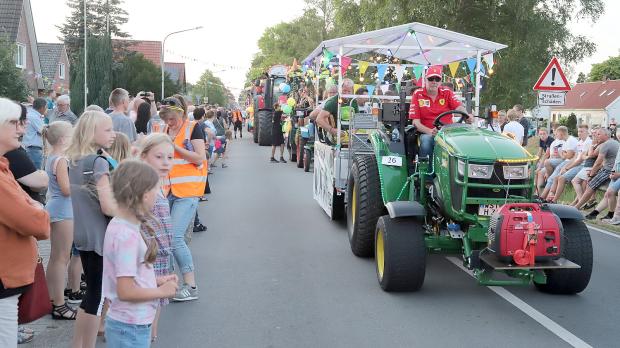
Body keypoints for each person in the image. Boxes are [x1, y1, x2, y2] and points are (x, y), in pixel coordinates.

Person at [102, 160, 178, 347]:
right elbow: (125, 291)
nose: (158, 196)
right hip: (131, 326)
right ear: (144, 195)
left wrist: (155, 280)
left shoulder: (118, 225)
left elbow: (125, 274)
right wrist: (160, 291)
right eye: (156, 191)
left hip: (126, 323)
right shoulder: (127, 237)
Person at [0, 97, 50, 348]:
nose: (21, 129)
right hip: (3, 278)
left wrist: (34, 208)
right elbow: (36, 224)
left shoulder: (5, 166)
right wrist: (38, 209)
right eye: (13, 123)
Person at [67, 111, 118, 348]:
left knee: (91, 296)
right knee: (96, 297)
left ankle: (78, 343)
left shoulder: (75, 160)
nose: (113, 134)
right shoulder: (98, 162)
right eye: (107, 130)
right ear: (92, 133)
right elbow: (108, 206)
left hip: (82, 234)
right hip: (100, 236)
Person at [160, 97, 206, 302]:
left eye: (171, 118)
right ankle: (169, 283)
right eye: (165, 119)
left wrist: (174, 147)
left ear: (180, 114)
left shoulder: (193, 128)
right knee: (165, 238)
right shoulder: (163, 131)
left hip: (188, 190)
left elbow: (199, 158)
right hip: (167, 190)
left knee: (175, 237)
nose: (169, 122)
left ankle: (191, 286)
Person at [138, 134, 175, 341]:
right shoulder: (144, 187)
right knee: (147, 307)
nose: (166, 162)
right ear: (144, 157)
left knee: (156, 306)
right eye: (159, 157)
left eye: (170, 157)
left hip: (161, 256)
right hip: (148, 257)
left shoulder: (157, 184)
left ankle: (151, 337)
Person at [42, 121, 78, 320]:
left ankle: (52, 298)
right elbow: (66, 189)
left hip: (57, 208)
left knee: (56, 257)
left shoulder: (51, 157)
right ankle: (59, 304)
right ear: (64, 139)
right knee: (61, 258)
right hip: (64, 211)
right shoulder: (61, 160)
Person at [407, 65, 470, 159]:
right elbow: (415, 123)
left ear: (440, 81)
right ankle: (426, 172)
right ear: (425, 79)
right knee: (426, 141)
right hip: (427, 132)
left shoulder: (447, 92)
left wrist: (467, 115)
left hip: (447, 132)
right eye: (431, 79)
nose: (434, 82)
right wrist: (430, 131)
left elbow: (459, 107)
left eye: (437, 79)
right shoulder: (418, 94)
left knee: (464, 142)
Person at [572, 128, 619, 210]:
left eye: (599, 134)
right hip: (611, 170)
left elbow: (598, 162)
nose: (597, 136)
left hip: (608, 171)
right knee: (588, 182)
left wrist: (591, 174)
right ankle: (580, 204)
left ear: (606, 135)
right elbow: (604, 162)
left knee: (590, 185)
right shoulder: (615, 142)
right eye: (596, 134)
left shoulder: (605, 144)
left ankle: (577, 207)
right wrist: (594, 171)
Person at [545, 125, 592, 203]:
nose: (579, 133)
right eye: (578, 131)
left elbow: (579, 160)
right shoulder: (580, 142)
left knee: (561, 178)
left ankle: (554, 200)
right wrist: (566, 166)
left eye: (581, 131)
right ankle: (550, 199)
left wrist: (567, 167)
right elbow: (575, 157)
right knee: (556, 177)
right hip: (577, 164)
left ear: (587, 132)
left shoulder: (588, 142)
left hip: (583, 165)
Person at [539, 126, 580, 199]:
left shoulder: (571, 140)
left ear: (561, 134)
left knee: (552, 176)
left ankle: (544, 198)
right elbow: (564, 155)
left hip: (569, 162)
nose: (555, 135)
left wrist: (563, 154)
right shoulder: (566, 140)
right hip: (566, 161)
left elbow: (567, 156)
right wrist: (563, 154)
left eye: (557, 134)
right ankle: (544, 197)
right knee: (552, 177)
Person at [23, 98, 48, 169]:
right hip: (34, 149)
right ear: (42, 108)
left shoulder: (33, 115)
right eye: (46, 107)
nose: (46, 109)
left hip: (32, 149)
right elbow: (43, 131)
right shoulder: (34, 117)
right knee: (37, 171)